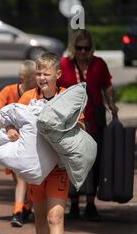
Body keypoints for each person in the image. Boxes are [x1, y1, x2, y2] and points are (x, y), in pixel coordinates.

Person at [16, 52, 85, 234]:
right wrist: (13, 132)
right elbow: (12, 122)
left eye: (46, 73)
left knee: (55, 217)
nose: (42, 77)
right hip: (36, 170)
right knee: (40, 217)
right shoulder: (27, 97)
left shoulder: (67, 97)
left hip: (58, 169)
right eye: (38, 73)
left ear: (58, 75)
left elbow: (81, 125)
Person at [59, 29, 119, 222]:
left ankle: (91, 204)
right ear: (73, 47)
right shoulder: (65, 64)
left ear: (91, 47)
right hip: (71, 122)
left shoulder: (99, 64)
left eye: (86, 48)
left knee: (94, 161)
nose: (83, 52)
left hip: (94, 120)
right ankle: (74, 204)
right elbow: (56, 86)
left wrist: (111, 102)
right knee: (73, 162)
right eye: (79, 48)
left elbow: (107, 84)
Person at [0, 60, 37, 227]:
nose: (30, 82)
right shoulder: (10, 90)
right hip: (12, 139)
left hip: (29, 141)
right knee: (19, 178)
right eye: (28, 79)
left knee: (24, 177)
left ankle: (19, 210)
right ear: (22, 77)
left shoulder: (37, 94)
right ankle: (24, 206)